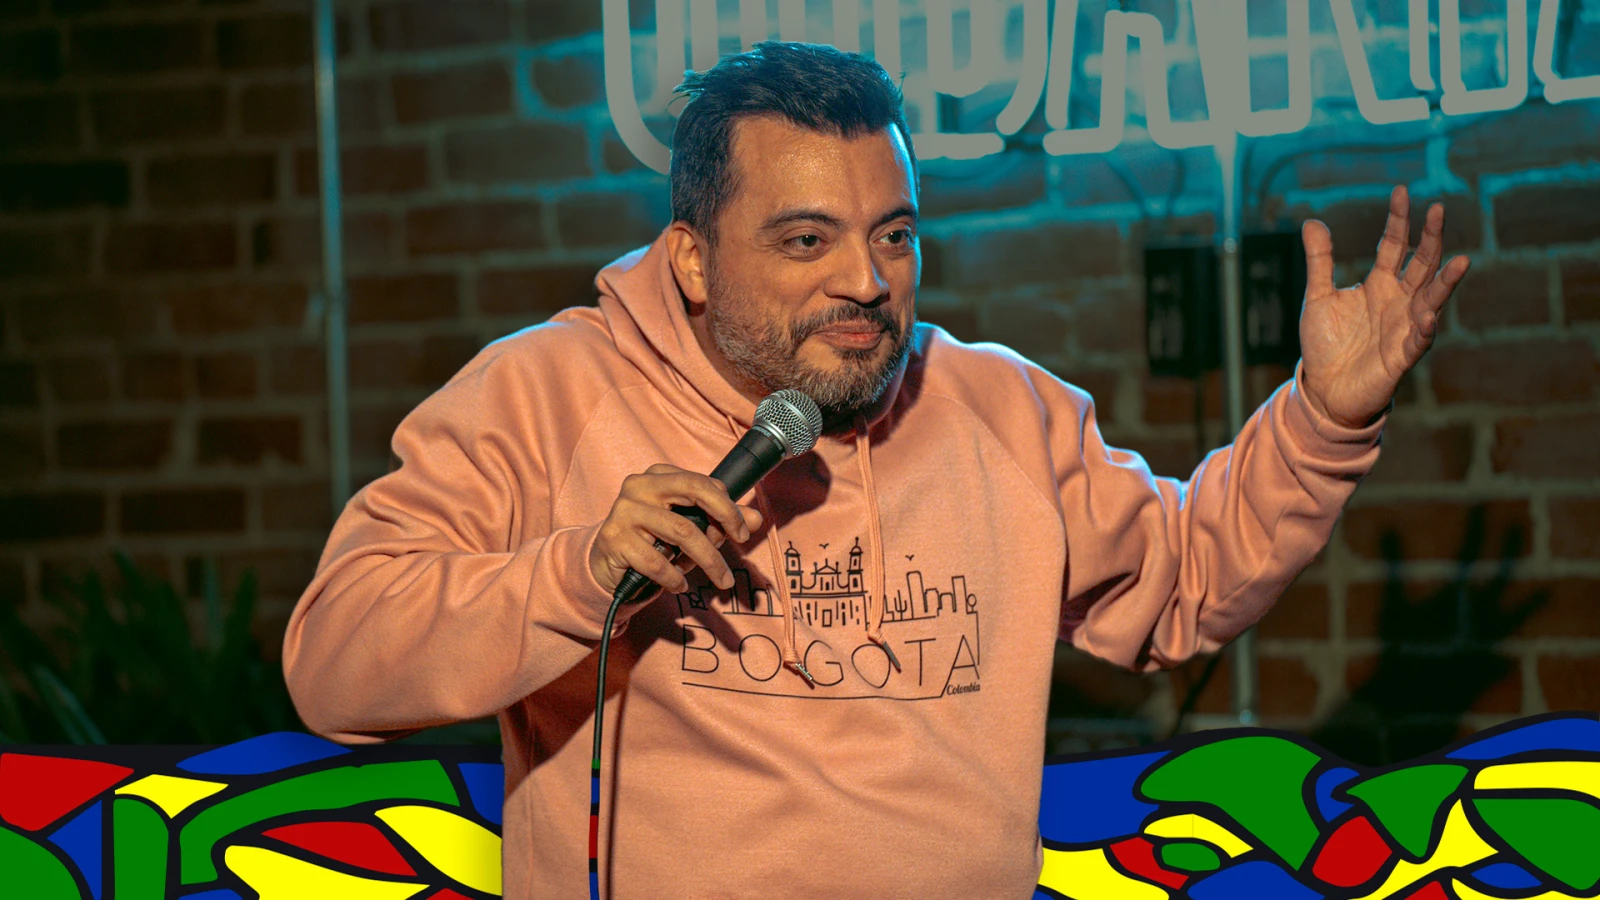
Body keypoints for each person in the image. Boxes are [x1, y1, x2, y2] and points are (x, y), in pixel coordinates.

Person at [282, 41, 1469, 899]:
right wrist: (570, 576)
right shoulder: (542, 393)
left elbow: (1183, 582)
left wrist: (1323, 417)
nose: (865, 281)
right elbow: (335, 659)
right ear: (692, 260)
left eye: (892, 236)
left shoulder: (999, 408)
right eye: (806, 239)